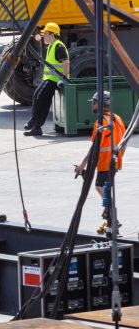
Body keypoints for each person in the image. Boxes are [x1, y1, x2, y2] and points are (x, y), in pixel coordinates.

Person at [75, 90, 127, 224]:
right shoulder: (117, 118)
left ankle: (112, 216)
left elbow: (94, 147)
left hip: (105, 163)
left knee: (100, 187)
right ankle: (108, 213)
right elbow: (124, 140)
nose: (91, 105)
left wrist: (82, 165)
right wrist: (119, 158)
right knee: (104, 188)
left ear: (100, 104)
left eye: (93, 103)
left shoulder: (101, 122)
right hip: (114, 162)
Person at [24, 22, 69, 136]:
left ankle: (34, 120)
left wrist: (63, 78)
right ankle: (37, 128)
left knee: (37, 96)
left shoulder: (58, 46)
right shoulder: (51, 46)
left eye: (46, 33)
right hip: (49, 79)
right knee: (44, 102)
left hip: (54, 80)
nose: (44, 35)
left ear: (52, 34)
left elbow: (66, 62)